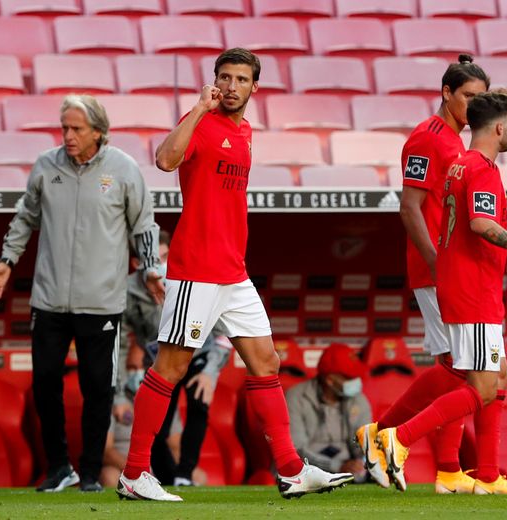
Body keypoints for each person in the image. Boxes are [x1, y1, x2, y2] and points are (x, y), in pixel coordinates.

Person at [116, 48, 354, 502]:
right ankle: (133, 473)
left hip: (233, 272)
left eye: (240, 79)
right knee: (171, 367)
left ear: (254, 87)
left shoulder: (245, 131)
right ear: (214, 82)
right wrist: (198, 109)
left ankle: (289, 468)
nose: (230, 86)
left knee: (266, 363)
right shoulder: (201, 120)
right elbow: (165, 161)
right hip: (196, 270)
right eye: (223, 77)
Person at [376, 90, 507, 494]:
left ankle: (488, 475)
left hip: (471, 285)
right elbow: (480, 223)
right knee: (481, 386)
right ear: (497, 128)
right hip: (473, 292)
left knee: (497, 374)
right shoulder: (481, 168)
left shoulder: (458, 165)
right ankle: (399, 437)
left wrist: (503, 253)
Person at [0, 94, 163, 493]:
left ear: (98, 131)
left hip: (101, 302)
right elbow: (25, 218)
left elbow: (144, 227)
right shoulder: (46, 166)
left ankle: (92, 471)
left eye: (76, 129)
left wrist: (150, 268)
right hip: (48, 300)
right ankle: (59, 467)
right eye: (64, 127)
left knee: (98, 389)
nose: (68, 136)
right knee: (45, 384)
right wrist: (7, 261)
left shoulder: (124, 169)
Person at [357, 55, 492, 494]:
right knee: (462, 368)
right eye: (468, 96)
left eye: (481, 99)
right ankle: (386, 434)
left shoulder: (457, 142)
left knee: (455, 365)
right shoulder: (426, 138)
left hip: (455, 269)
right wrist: (438, 262)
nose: (474, 106)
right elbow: (409, 207)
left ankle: (445, 468)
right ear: (446, 93)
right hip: (437, 268)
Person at [119, 230, 231, 486]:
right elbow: (120, 343)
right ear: (137, 264)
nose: (162, 264)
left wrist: (210, 373)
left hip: (198, 354)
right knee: (156, 421)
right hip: (161, 360)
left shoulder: (191, 275)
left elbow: (224, 332)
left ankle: (184, 475)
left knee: (199, 405)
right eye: (154, 259)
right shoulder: (126, 290)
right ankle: (166, 479)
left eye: (166, 255)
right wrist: (119, 391)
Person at [286, 344, 371, 483]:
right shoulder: (296, 397)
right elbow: (295, 451)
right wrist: (336, 467)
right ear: (330, 380)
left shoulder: (359, 400)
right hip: (305, 472)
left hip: (347, 472)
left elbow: (362, 445)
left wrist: (366, 461)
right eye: (349, 378)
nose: (356, 381)